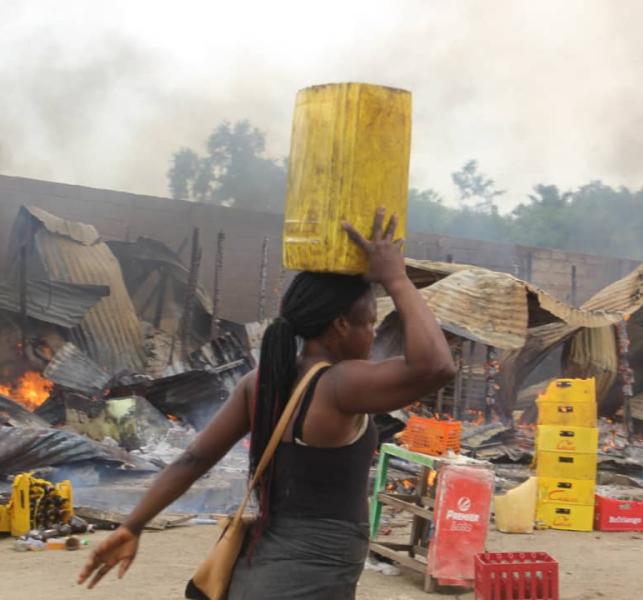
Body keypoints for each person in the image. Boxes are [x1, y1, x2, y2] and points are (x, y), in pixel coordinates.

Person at [77, 208, 456, 599]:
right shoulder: (340, 385)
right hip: (309, 575)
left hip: (266, 565)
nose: (373, 334)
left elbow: (192, 460)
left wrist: (132, 525)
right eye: (370, 323)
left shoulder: (260, 383)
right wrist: (395, 278)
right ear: (341, 325)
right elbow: (436, 366)